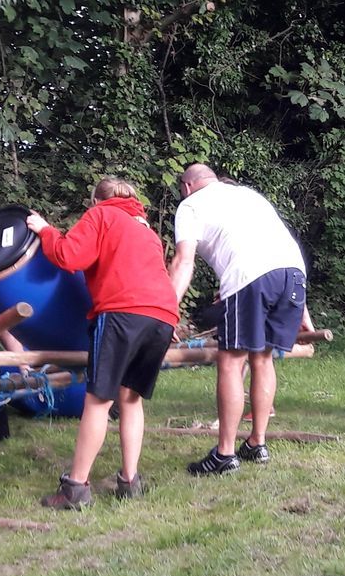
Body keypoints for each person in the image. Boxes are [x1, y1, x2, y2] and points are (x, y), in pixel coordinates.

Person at [28, 176, 181, 507]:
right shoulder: (147, 232)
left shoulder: (102, 215)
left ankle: (75, 489)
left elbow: (70, 256)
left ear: (96, 200)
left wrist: (44, 230)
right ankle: (129, 480)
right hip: (163, 317)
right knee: (130, 399)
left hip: (123, 312)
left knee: (99, 401)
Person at [169, 163, 309, 474]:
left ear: (187, 186)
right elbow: (279, 246)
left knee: (231, 362)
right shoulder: (247, 195)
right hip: (294, 275)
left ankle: (224, 454)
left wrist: (164, 311)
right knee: (263, 359)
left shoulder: (190, 205)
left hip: (250, 278)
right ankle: (257, 444)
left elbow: (183, 261)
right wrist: (303, 309)